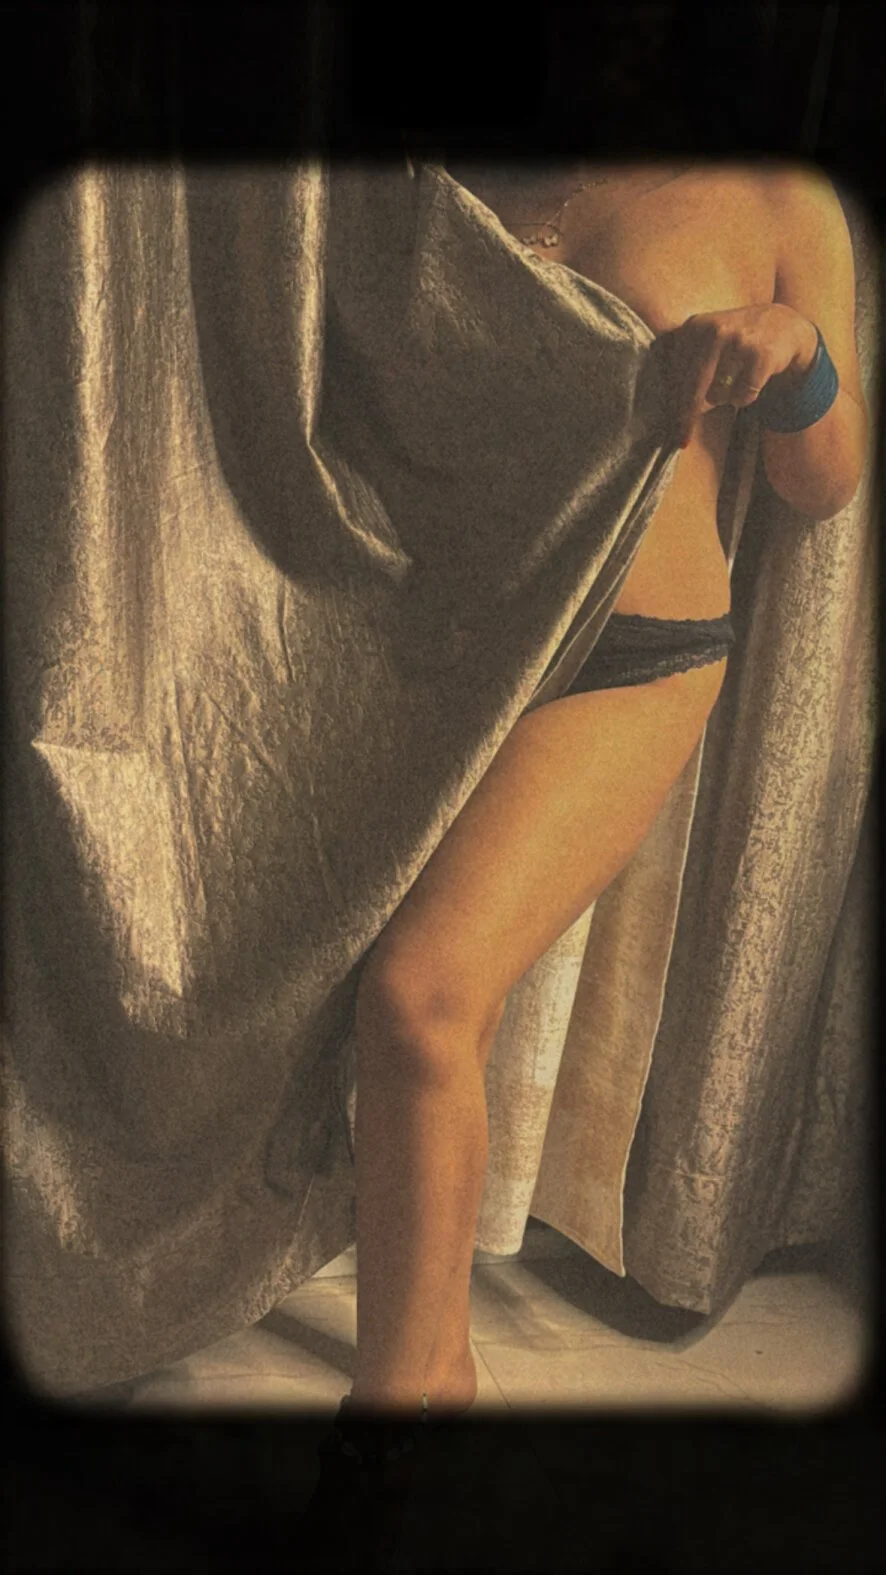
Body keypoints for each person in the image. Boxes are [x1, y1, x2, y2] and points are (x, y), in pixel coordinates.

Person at [320, 156, 867, 1465]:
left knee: (419, 996)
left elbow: (825, 483)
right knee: (390, 1019)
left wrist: (796, 357)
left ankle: (382, 1432)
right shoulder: (434, 167)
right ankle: (435, 1363)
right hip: (415, 645)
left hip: (630, 655)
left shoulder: (777, 194)